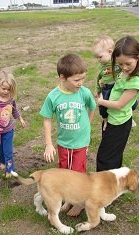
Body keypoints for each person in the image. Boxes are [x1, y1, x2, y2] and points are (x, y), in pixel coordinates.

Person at [40, 53, 96, 216]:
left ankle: (79, 203)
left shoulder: (84, 92)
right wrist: (49, 144)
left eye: (83, 79)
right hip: (64, 143)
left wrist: (88, 124)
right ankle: (69, 199)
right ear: (62, 78)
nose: (81, 83)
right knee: (64, 171)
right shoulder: (53, 96)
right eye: (77, 80)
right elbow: (47, 119)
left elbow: (92, 106)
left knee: (78, 173)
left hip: (80, 142)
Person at [96, 35, 139, 172]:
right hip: (113, 120)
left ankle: (104, 188)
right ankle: (113, 185)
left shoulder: (134, 81)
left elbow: (119, 105)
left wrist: (100, 101)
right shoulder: (124, 74)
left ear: (138, 58)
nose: (124, 68)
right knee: (112, 154)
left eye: (128, 64)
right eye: (120, 64)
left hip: (119, 124)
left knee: (105, 157)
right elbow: (116, 87)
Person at [0, 71, 26, 178]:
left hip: (8, 130)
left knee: (8, 151)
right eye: (4, 89)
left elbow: (14, 110)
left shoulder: (10, 98)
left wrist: (20, 119)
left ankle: (10, 169)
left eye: (9, 89)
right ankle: (2, 162)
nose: (6, 91)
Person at [92, 35, 138, 130]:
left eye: (100, 57)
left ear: (110, 52)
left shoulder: (118, 62)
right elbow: (98, 78)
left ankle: (129, 117)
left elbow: (126, 70)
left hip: (118, 85)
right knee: (103, 107)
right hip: (107, 87)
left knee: (131, 103)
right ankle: (105, 120)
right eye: (96, 58)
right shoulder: (101, 67)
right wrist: (97, 89)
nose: (98, 60)